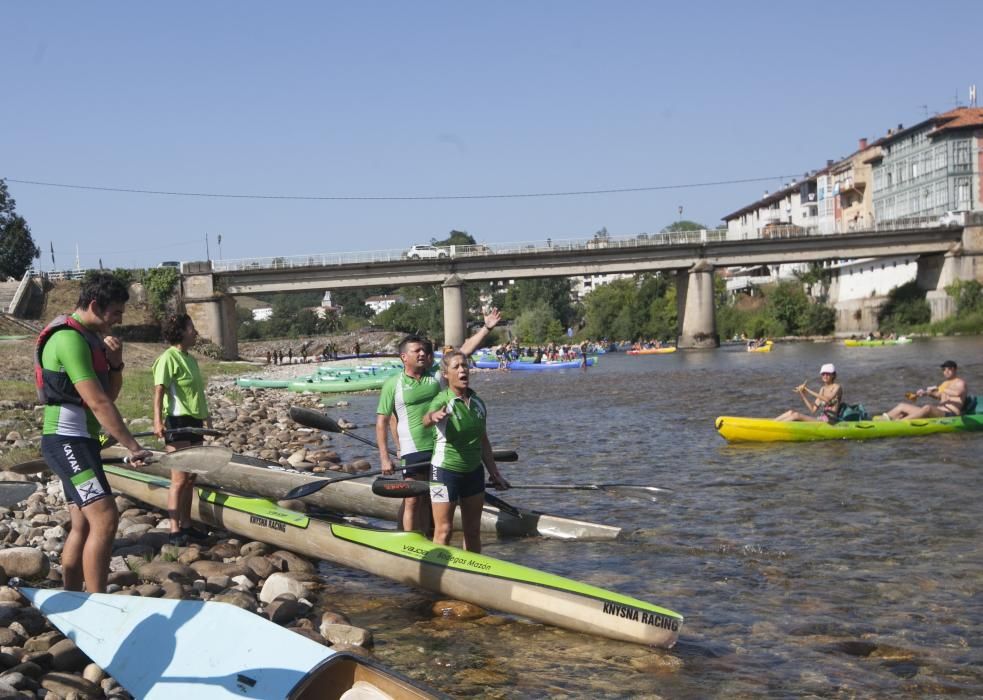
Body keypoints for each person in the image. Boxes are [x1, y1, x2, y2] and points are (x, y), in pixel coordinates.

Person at [36, 272, 152, 592]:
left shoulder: (90, 339)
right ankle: (98, 602)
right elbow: (98, 402)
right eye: (115, 312)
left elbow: (109, 394)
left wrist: (115, 364)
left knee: (84, 523)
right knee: (105, 518)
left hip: (83, 442)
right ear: (94, 306)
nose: (118, 320)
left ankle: (72, 597)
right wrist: (133, 447)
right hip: (66, 443)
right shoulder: (68, 339)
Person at [376, 308, 501, 534]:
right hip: (412, 450)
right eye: (416, 351)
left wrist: (486, 328)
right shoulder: (392, 384)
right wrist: (386, 456)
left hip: (440, 450)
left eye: (423, 350)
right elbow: (383, 422)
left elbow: (464, 351)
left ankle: (431, 536)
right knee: (413, 499)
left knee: (430, 497)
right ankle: (408, 541)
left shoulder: (435, 375)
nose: (422, 354)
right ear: (404, 357)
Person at [422, 350, 510, 552]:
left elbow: (483, 440)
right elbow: (426, 419)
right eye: (456, 367)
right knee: (444, 530)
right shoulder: (442, 400)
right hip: (444, 472)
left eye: (465, 365)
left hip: (474, 473)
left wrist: (494, 472)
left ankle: (473, 575)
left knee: (472, 531)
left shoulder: (478, 403)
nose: (463, 370)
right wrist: (433, 416)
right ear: (446, 374)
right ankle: (437, 575)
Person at [152, 313, 211, 546]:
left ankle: (187, 524)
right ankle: (174, 529)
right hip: (177, 421)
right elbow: (159, 392)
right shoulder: (168, 358)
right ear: (181, 332)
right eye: (192, 327)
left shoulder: (191, 359)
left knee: (191, 477)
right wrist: (157, 421)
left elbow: (197, 393)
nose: (195, 332)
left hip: (194, 422)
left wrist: (208, 420)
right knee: (178, 478)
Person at [881, 360, 967, 420]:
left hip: (951, 414)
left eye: (950, 369)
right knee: (902, 406)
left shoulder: (960, 382)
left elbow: (957, 393)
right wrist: (927, 393)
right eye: (944, 369)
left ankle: (899, 423)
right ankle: (882, 421)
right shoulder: (944, 383)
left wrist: (940, 389)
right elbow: (938, 396)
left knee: (928, 407)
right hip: (938, 412)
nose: (946, 371)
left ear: (955, 369)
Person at [774, 363, 843, 422]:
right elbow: (813, 409)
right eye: (823, 374)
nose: (825, 376)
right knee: (790, 412)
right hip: (821, 419)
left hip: (830, 421)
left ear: (833, 375)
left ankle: (773, 427)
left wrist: (807, 389)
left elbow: (827, 399)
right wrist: (802, 393)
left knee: (796, 415)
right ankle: (771, 424)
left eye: (828, 374)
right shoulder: (822, 389)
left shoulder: (837, 387)